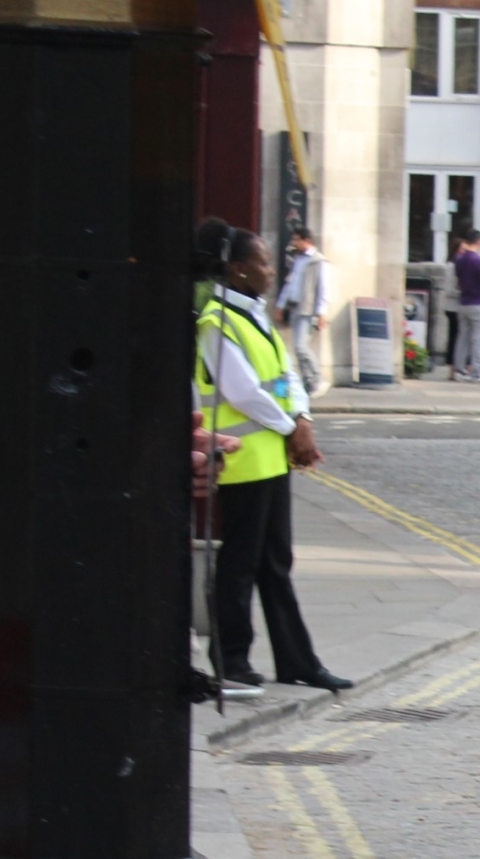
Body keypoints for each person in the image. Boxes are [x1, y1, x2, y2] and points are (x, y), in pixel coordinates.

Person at [195, 221, 351, 695]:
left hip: (273, 458)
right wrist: (292, 427)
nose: (270, 270)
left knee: (275, 563)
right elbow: (243, 393)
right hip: (242, 460)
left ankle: (297, 661)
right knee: (239, 565)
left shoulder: (255, 318)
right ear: (238, 270)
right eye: (262, 262)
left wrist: (301, 417)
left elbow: (284, 378)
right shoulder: (215, 323)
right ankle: (232, 661)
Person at [276, 222, 332, 399]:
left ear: (306, 240)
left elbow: (323, 289)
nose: (294, 243)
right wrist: (280, 305)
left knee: (301, 347)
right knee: (297, 348)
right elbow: (290, 284)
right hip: (294, 306)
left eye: (296, 240)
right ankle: (308, 382)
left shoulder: (318, 261)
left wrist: (321, 312)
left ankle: (318, 378)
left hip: (308, 310)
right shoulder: (298, 260)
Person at [452, 229, 480, 381]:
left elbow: (458, 282)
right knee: (479, 339)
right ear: (479, 241)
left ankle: (459, 369)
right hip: (479, 302)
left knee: (463, 338)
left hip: (463, 302)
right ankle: (477, 372)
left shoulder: (459, 260)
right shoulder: (479, 261)